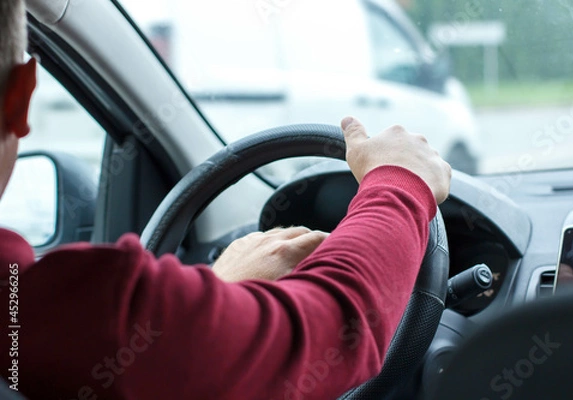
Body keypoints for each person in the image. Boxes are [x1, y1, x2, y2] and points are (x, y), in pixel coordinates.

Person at [0, 0, 451, 399]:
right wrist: (401, 181)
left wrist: (218, 297)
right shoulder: (52, 308)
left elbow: (170, 364)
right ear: (20, 98)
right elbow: (334, 329)